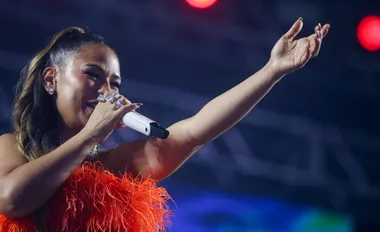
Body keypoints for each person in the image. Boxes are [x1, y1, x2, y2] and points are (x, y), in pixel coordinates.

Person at [0, 18, 329, 231]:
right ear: (51, 79)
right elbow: (13, 199)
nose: (107, 91)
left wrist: (272, 70)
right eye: (92, 75)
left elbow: (194, 132)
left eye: (114, 83)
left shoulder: (113, 168)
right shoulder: (10, 147)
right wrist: (90, 135)